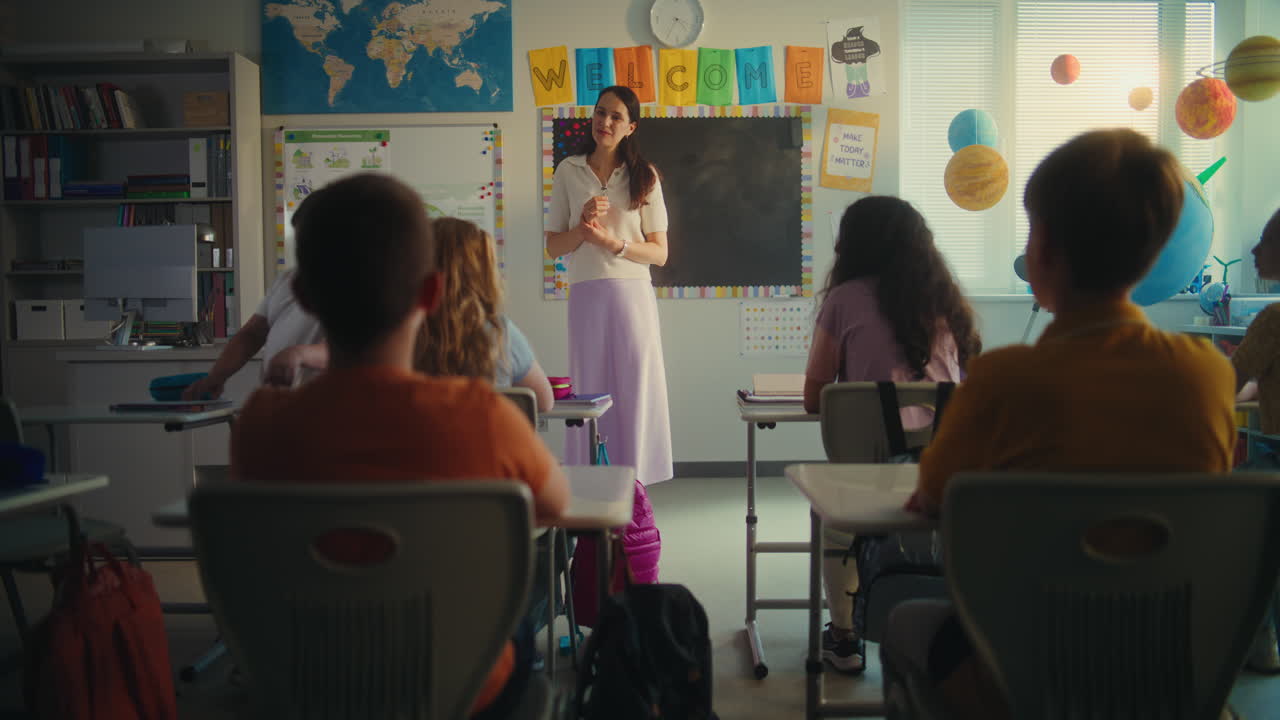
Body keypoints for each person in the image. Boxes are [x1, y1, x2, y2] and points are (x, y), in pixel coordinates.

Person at [894, 128, 1237, 719]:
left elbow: (932, 498)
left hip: (1020, 671)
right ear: (1154, 255)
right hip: (1166, 669)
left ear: (1043, 248)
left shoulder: (1002, 381)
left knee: (905, 624)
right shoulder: (1207, 376)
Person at [231, 173, 569, 719]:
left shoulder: (261, 426)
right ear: (430, 293)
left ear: (301, 295)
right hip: (462, 681)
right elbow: (555, 507)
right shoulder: (483, 418)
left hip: (313, 680)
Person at [803, 195, 980, 674]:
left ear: (853, 246)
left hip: (866, 476)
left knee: (833, 515)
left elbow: (813, 397)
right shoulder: (946, 300)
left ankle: (843, 638)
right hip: (942, 472)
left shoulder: (843, 301)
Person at [544, 85, 673, 485]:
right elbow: (553, 247)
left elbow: (659, 254)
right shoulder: (569, 170)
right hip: (586, 294)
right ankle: (589, 481)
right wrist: (583, 229)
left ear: (630, 127)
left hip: (632, 293)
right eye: (601, 113)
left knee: (637, 384)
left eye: (616, 116)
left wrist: (612, 243)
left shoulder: (644, 176)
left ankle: (636, 484)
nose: (606, 122)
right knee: (590, 388)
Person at [415, 217, 554, 413]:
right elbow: (544, 402)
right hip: (486, 441)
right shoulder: (499, 331)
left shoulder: (405, 331)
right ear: (483, 273)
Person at [1229, 205, 1280, 674]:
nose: (1252, 250)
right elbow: (1255, 381)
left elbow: (1226, 384)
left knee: (1223, 513)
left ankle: (1257, 639)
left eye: (1263, 241)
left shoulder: (1272, 320)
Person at [182, 268, 326, 399]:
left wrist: (298, 355)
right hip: (279, 403)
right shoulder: (288, 278)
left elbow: (346, 347)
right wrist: (216, 376)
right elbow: (252, 334)